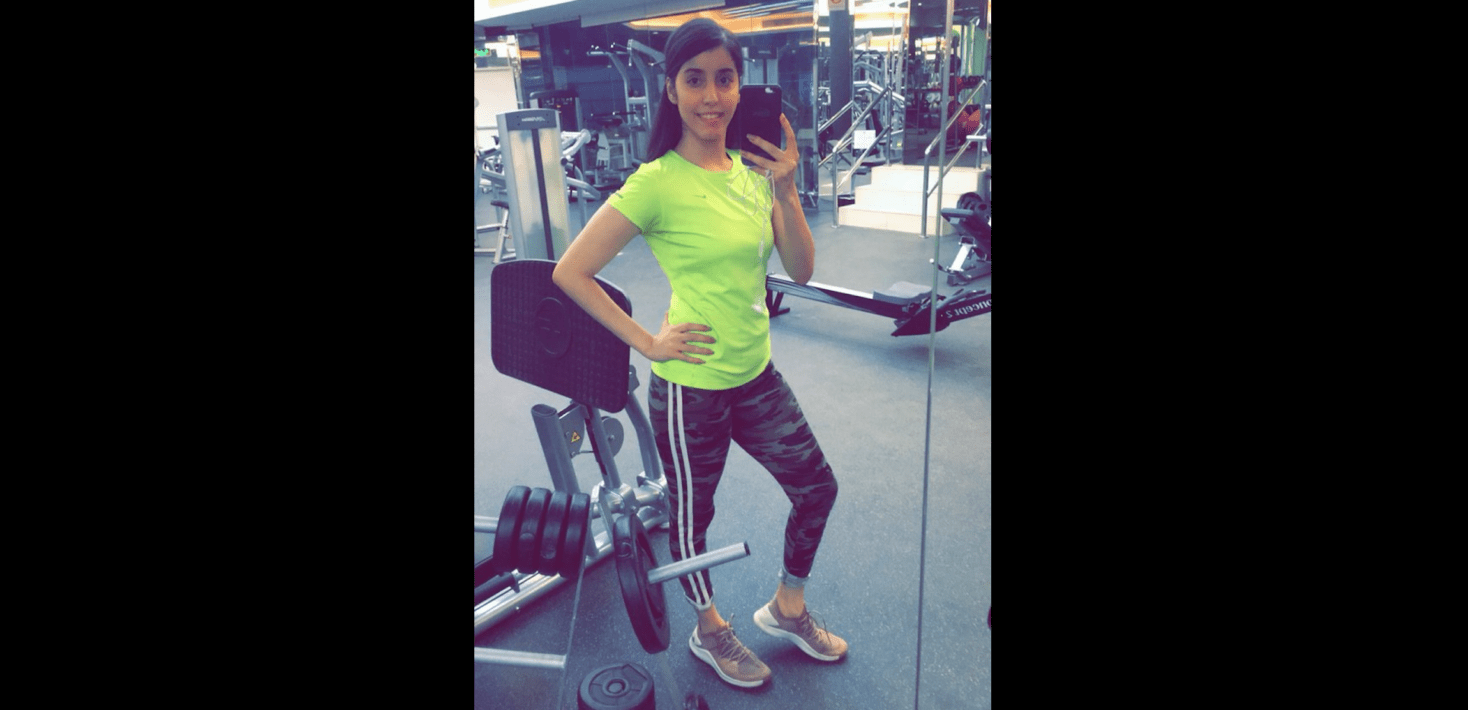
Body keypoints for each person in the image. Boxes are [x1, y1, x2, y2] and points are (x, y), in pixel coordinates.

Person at [552, 17, 846, 689]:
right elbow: (571, 271)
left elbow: (801, 269)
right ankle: (709, 629)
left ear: (740, 86)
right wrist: (648, 342)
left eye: (724, 79)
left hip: (756, 375)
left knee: (817, 488)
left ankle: (787, 608)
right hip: (692, 386)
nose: (712, 96)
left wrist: (787, 188)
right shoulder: (656, 182)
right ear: (671, 90)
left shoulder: (754, 174)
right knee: (693, 517)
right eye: (695, 80)